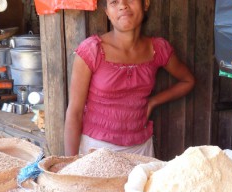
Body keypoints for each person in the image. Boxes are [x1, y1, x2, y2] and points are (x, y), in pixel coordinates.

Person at [64, 0, 196, 157]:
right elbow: (74, 113)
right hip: (96, 150)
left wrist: (153, 102)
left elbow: (188, 81)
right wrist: (70, 164)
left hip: (141, 149)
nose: (122, 5)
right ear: (107, 12)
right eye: (114, 2)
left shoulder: (157, 49)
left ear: (145, 4)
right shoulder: (92, 50)